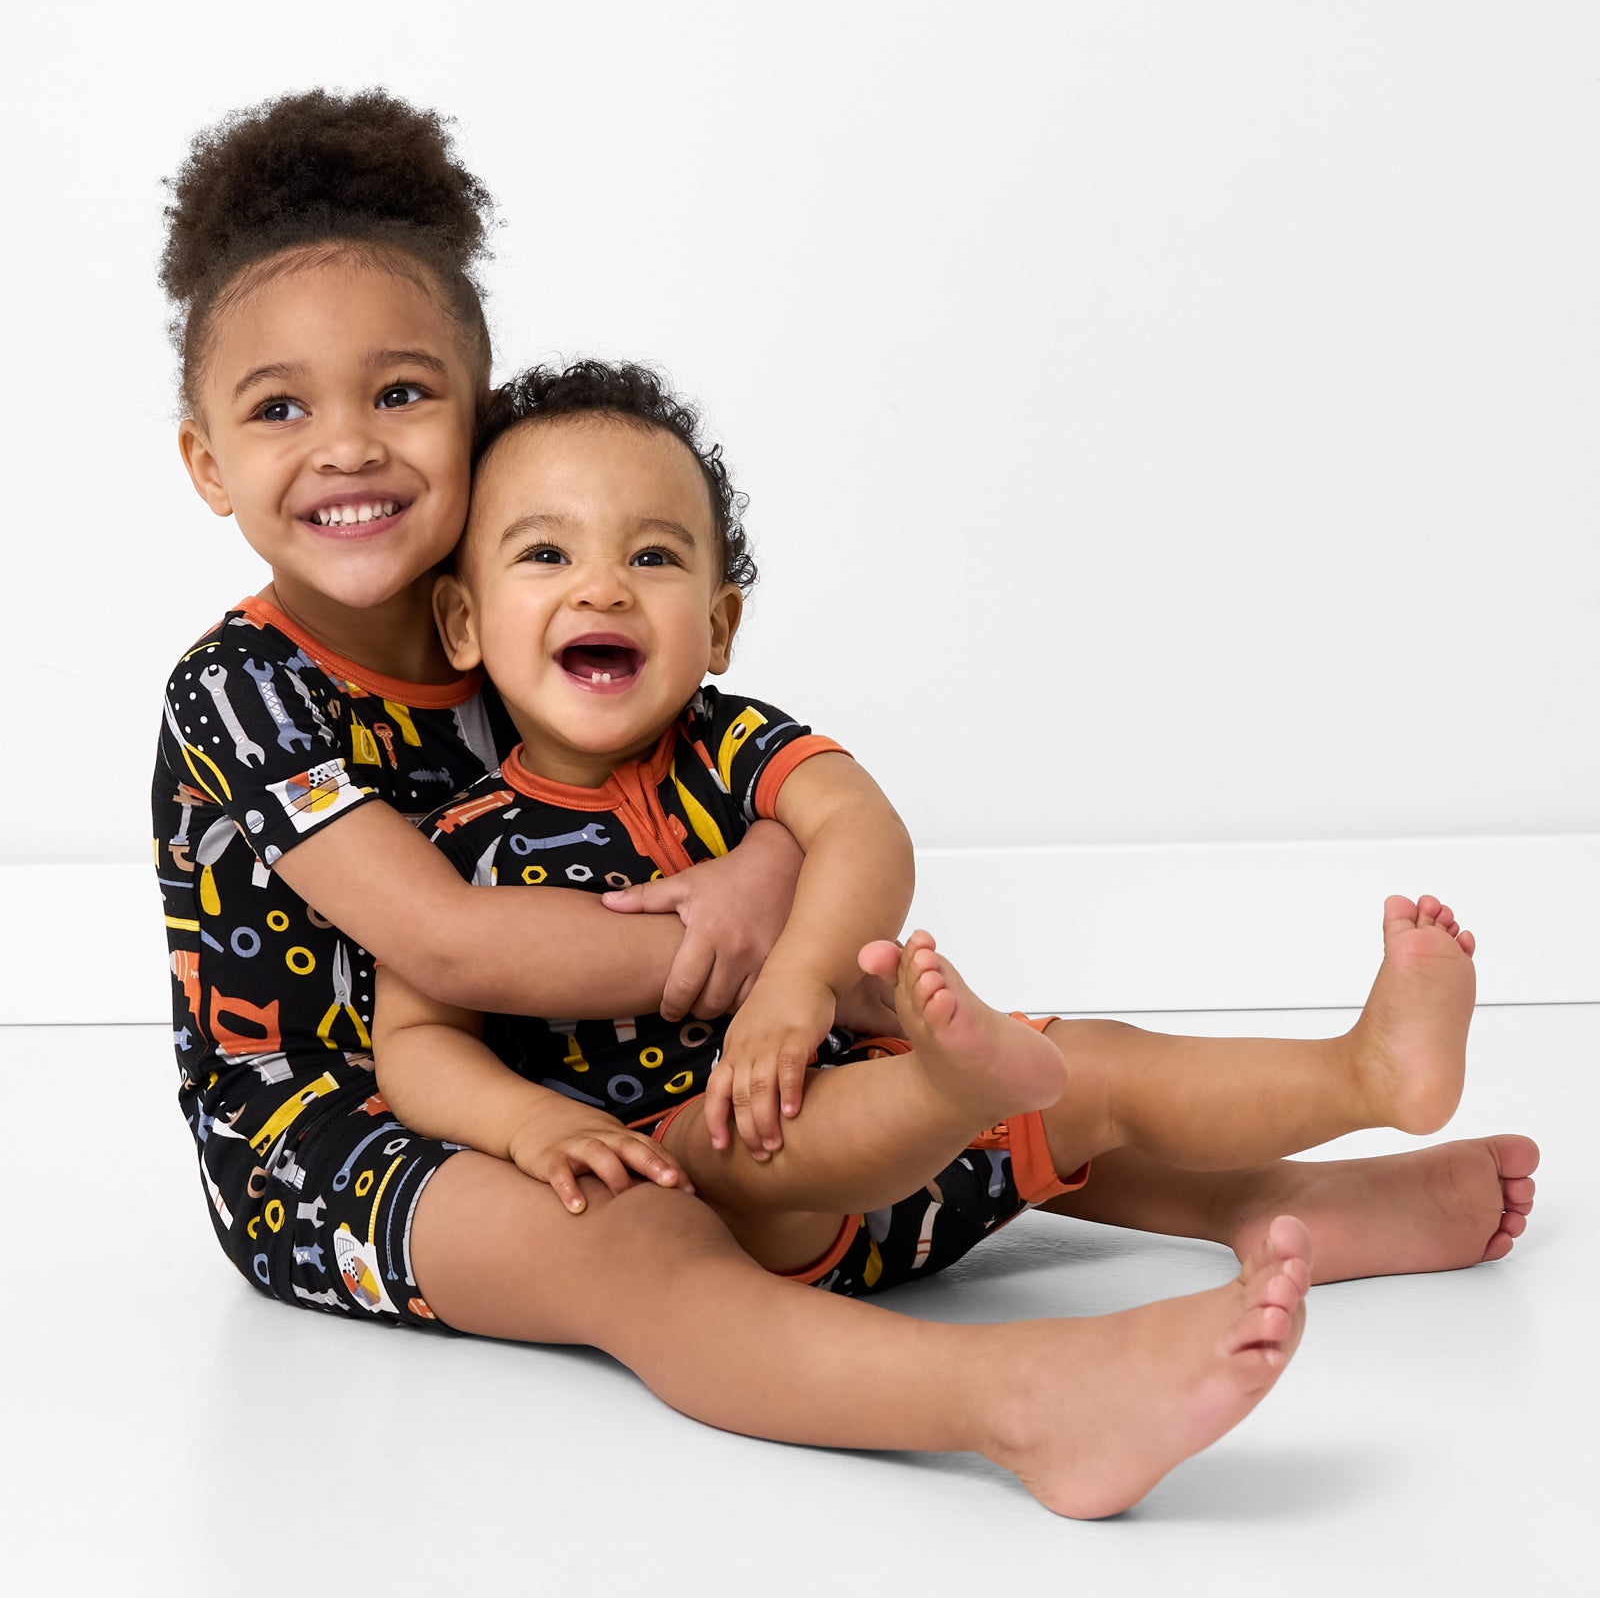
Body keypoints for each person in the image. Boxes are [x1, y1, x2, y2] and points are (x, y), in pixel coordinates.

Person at [148, 86, 1522, 1517]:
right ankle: (1022, 1402)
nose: (351, 445)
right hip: (340, 1136)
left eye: (403, 393)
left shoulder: (518, 621)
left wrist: (768, 890)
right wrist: (744, 957)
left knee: (962, 1080)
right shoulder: (244, 690)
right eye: (279, 407)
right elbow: (446, 945)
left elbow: (739, 790)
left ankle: (1263, 1198)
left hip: (608, 1074)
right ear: (206, 462)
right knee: (642, 1236)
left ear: (482, 424)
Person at [371, 361, 1534, 1298]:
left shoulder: (731, 744)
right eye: (546, 553)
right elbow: (416, 1040)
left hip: (911, 1163)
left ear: (718, 623)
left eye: (653, 555)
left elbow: (865, 833)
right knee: (757, 1134)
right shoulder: (461, 832)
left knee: (1101, 1066)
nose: (605, 587)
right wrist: (525, 1123)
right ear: (465, 620)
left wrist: (801, 986)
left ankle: (1364, 1071)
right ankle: (954, 1085)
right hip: (730, 1196)